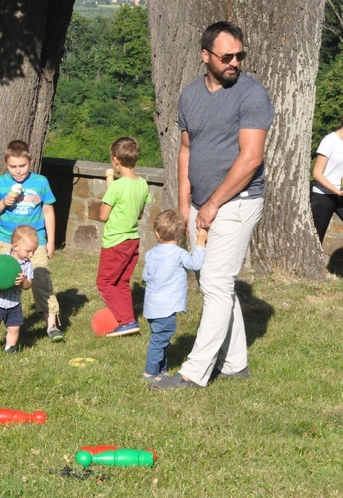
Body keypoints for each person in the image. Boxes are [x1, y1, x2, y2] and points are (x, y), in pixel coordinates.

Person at [150, 21, 275, 390]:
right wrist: (186, 206)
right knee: (213, 281)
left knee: (216, 282)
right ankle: (235, 363)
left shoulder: (252, 94)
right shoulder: (190, 96)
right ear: (206, 56)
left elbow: (251, 158)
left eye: (240, 55)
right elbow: (186, 150)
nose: (235, 62)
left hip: (239, 202)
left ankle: (193, 372)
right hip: (200, 204)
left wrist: (214, 204)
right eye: (226, 56)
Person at [0, 140, 63, 342]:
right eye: (13, 166)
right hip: (8, 243)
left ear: (31, 161)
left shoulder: (40, 182)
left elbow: (48, 210)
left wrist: (51, 240)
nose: (18, 171)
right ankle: (6, 324)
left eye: (22, 166)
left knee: (42, 282)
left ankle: (52, 325)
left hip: (36, 242)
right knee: (6, 282)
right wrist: (4, 203)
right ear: (5, 164)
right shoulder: (1, 183)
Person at [142, 210, 207, 383]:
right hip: (166, 307)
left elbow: (145, 277)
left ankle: (161, 370)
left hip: (151, 307)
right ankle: (150, 373)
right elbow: (195, 263)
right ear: (181, 234)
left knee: (160, 338)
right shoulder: (179, 254)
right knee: (159, 341)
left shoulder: (150, 254)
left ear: (157, 233)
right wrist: (201, 242)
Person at [96, 137, 151, 337]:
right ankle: (128, 320)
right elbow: (139, 214)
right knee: (121, 282)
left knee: (105, 282)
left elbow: (103, 215)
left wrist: (108, 194)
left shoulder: (117, 187)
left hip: (115, 242)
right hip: (132, 240)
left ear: (116, 160)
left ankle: (126, 321)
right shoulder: (143, 184)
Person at [0, 225, 38, 358]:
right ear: (15, 246)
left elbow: (28, 285)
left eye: (33, 251)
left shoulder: (28, 265)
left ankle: (9, 347)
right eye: (28, 251)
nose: (31, 254)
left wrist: (24, 281)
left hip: (14, 303)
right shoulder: (1, 261)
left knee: (15, 327)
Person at [310, 118, 343, 243]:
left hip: (340, 194)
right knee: (316, 239)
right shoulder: (330, 141)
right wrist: (336, 191)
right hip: (323, 195)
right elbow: (317, 174)